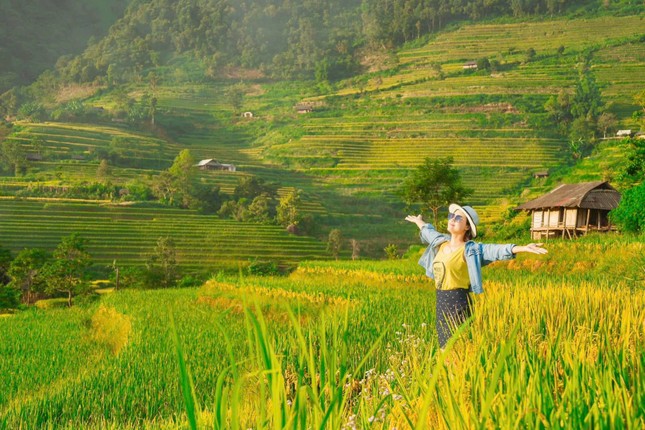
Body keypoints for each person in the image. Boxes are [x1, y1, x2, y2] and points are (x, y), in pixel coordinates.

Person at [405, 204, 547, 349]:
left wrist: (522, 248)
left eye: (458, 217)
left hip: (458, 303)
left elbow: (494, 250)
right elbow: (428, 232)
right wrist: (419, 221)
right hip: (441, 302)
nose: (452, 219)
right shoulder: (440, 242)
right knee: (444, 350)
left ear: (467, 227)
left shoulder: (470, 250)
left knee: (456, 349)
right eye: (451, 216)